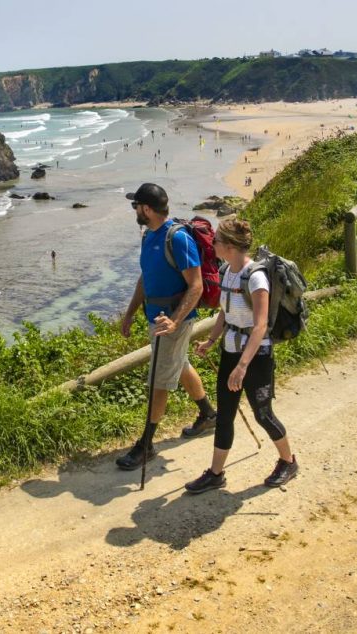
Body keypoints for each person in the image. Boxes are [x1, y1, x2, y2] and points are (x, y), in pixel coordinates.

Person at [185, 216, 298, 493]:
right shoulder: (226, 271)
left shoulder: (256, 277)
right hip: (230, 351)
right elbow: (225, 311)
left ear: (231, 246)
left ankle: (288, 461)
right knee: (225, 414)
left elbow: (260, 325)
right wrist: (212, 340)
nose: (213, 244)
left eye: (218, 240)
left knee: (263, 414)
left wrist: (242, 366)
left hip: (255, 357)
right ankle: (215, 473)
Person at [117, 183, 217, 471]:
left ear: (147, 209)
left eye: (136, 205)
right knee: (180, 365)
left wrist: (175, 321)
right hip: (155, 319)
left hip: (172, 323)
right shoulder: (149, 236)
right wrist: (130, 313)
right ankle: (208, 414)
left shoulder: (178, 238)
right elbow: (145, 278)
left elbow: (196, 286)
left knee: (159, 380)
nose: (134, 210)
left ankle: (146, 445)